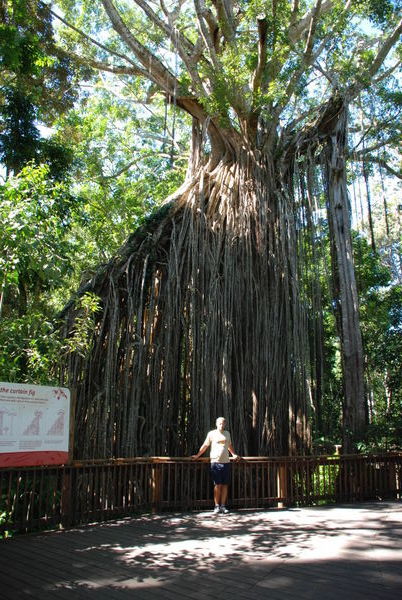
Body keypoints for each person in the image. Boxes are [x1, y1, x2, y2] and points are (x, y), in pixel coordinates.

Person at [192, 417, 239, 514]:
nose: (222, 425)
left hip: (226, 462)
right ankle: (217, 506)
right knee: (217, 485)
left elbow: (229, 446)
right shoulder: (212, 434)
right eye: (220, 423)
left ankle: (223, 506)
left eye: (223, 423)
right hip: (215, 462)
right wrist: (197, 455)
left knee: (225, 484)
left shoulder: (227, 434)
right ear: (216, 424)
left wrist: (233, 454)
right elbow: (205, 445)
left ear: (225, 424)